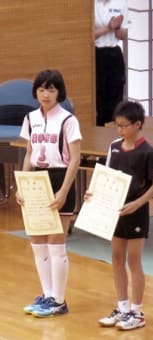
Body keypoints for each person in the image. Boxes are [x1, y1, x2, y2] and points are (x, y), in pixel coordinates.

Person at [16, 69, 82, 317]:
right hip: (36, 180)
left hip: (59, 177)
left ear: (59, 92)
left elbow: (75, 159)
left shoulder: (68, 120)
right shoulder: (30, 118)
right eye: (42, 89)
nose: (46, 94)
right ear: (36, 92)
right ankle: (47, 295)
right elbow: (29, 152)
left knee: (56, 242)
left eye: (51, 89)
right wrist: (23, 185)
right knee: (37, 242)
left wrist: (64, 190)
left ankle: (59, 299)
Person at [90, 101, 153, 330]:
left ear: (137, 124)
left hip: (136, 212)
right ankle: (122, 308)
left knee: (134, 260)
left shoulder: (148, 151)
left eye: (124, 126)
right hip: (115, 211)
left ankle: (137, 312)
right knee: (117, 258)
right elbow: (107, 175)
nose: (120, 130)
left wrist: (137, 204)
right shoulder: (114, 147)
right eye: (117, 126)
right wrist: (93, 193)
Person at [94, 0, 129, 126]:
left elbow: (123, 36)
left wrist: (118, 27)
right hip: (95, 53)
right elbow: (86, 35)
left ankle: (113, 130)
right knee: (99, 98)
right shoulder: (89, 5)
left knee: (115, 96)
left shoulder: (121, 3)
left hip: (114, 53)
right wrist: (108, 28)